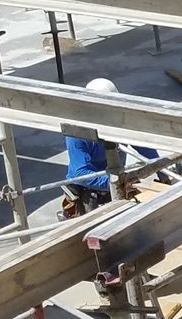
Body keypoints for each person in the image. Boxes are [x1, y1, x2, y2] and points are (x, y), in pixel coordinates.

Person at [61, 78, 161, 218]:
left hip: (113, 181)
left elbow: (145, 150)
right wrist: (115, 184)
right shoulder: (78, 131)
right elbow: (80, 174)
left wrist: (163, 171)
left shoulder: (120, 121)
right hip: (87, 190)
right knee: (93, 227)